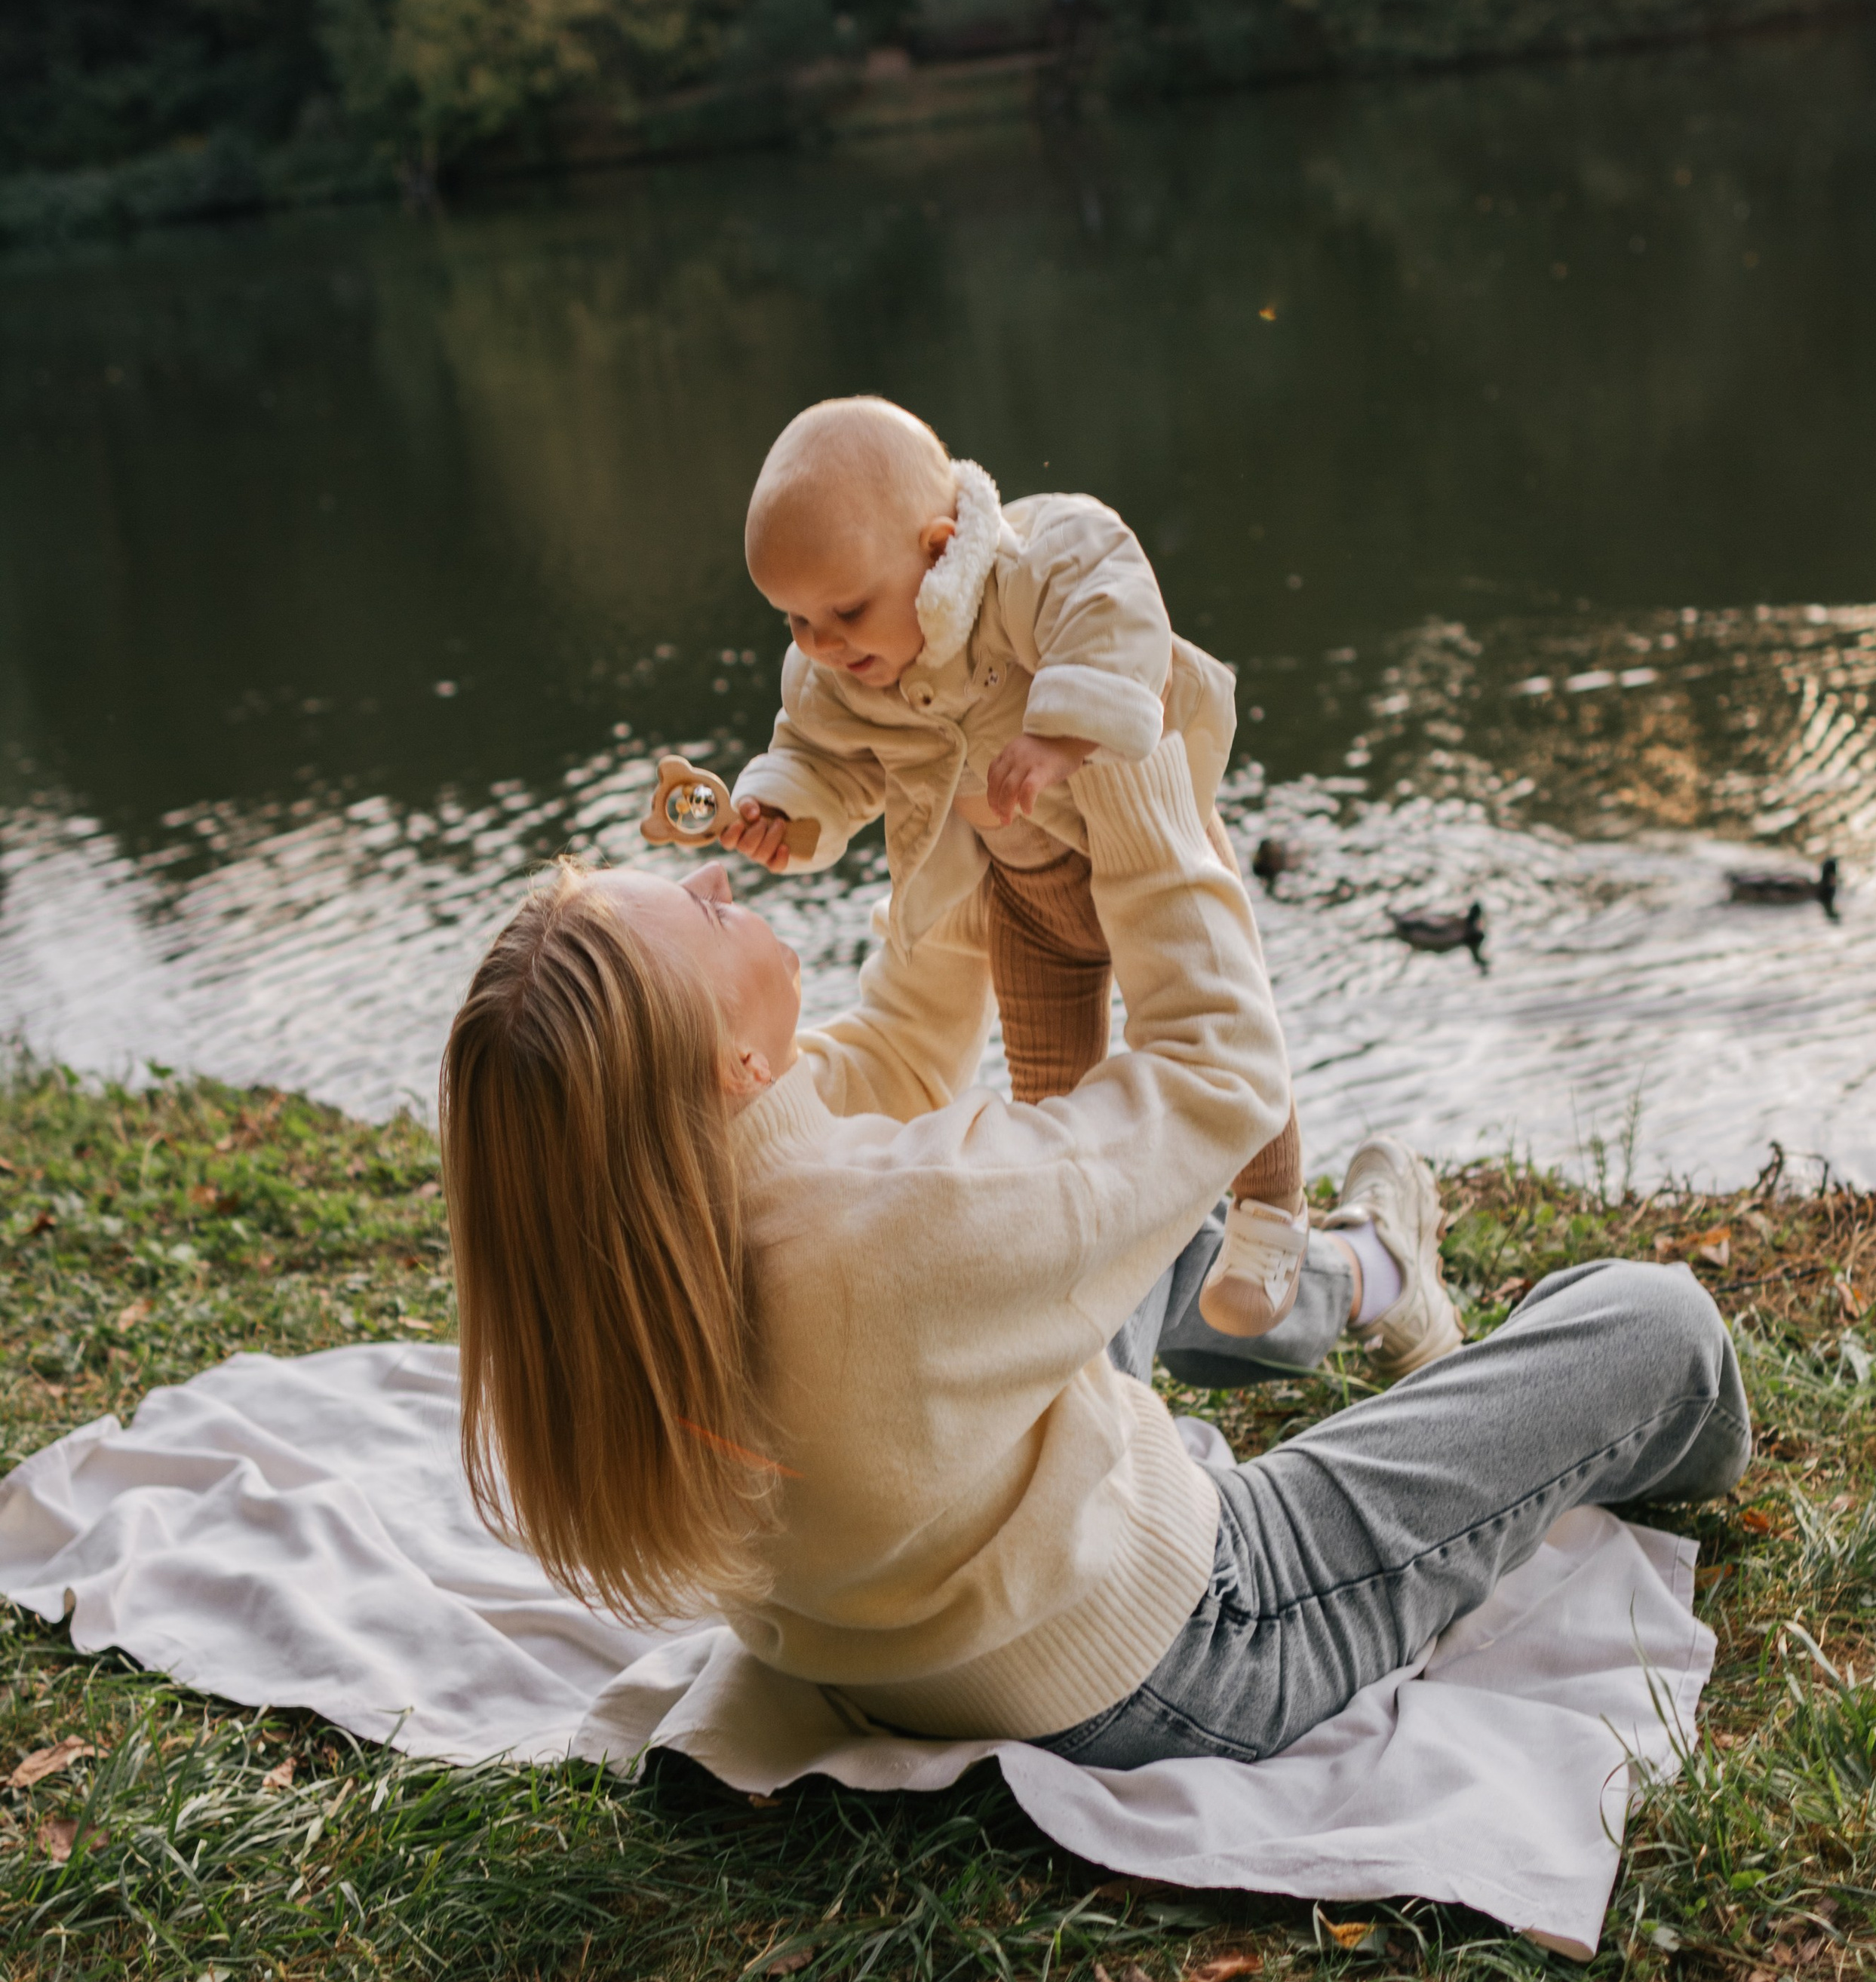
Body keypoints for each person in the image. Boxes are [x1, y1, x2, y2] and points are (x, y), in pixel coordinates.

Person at [441, 729, 1751, 1769]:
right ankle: (1381, 1281)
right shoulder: (899, 1224)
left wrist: (954, 779)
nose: (716, 879)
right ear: (731, 1063)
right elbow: (1221, 1077)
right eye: (703, 917)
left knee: (1128, 1210)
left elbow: (903, 1046)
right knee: (1657, 1328)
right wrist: (1133, 775)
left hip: (887, 1635)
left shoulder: (653, 1213)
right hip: (1187, 1651)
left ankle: (1367, 1278)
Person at [720, 393, 1315, 1342]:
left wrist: (1062, 733)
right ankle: (1072, 1245)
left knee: (1217, 1016)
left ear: (938, 548)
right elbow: (821, 753)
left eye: (845, 611)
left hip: (1140, 845)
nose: (823, 644)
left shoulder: (1035, 563)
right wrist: (782, 813)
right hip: (1028, 895)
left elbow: (1117, 607)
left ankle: (1270, 1209)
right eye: (793, 621)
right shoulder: (840, 672)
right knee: (1049, 1085)